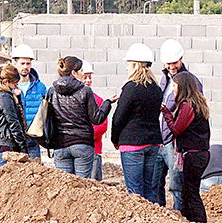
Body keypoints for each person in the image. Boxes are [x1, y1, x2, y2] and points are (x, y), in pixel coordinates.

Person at [152, 39, 203, 211]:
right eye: (168, 64)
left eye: (174, 63)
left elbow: (191, 113)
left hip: (174, 142)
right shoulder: (164, 79)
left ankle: (179, 220)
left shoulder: (190, 82)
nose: (171, 67)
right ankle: (159, 220)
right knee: (154, 183)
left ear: (181, 58)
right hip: (160, 140)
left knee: (176, 186)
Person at [48, 56, 118, 178]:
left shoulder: (51, 91)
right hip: (82, 144)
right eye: (81, 71)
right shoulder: (85, 91)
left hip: (60, 144)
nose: (83, 74)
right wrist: (107, 103)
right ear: (74, 73)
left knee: (65, 186)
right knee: (82, 187)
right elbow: (97, 119)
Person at [111, 44, 163, 202]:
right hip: (153, 143)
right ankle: (152, 222)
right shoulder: (156, 88)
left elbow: (119, 117)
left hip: (132, 143)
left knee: (135, 192)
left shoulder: (131, 88)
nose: (127, 69)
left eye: (128, 65)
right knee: (149, 188)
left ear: (135, 65)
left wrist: (115, 139)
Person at [161, 71, 210, 223]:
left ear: (182, 87)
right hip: (200, 154)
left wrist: (166, 113)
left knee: (191, 193)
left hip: (193, 155)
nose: (173, 89)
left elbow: (176, 129)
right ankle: (189, 221)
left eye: (175, 86)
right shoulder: (198, 104)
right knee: (187, 191)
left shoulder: (186, 106)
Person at [0, 64, 28, 169]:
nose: (15, 87)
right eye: (14, 84)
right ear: (6, 82)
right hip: (6, 147)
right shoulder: (5, 97)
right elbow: (14, 123)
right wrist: (23, 147)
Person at [10, 44, 46, 160]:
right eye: (22, 63)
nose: (25, 66)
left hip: (33, 141)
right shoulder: (8, 87)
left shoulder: (40, 87)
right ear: (15, 63)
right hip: (13, 141)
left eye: (28, 63)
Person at [81, 60, 107, 181]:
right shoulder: (72, 100)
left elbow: (102, 125)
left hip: (94, 150)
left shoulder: (98, 100)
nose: (88, 80)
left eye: (90, 77)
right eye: (85, 77)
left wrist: (84, 136)